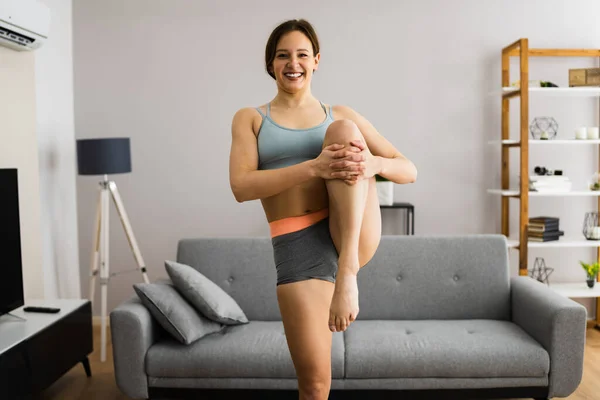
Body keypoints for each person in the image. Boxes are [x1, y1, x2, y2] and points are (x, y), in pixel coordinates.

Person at [229, 18, 417, 400]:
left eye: (301, 54)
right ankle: (342, 274)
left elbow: (409, 169)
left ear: (316, 61)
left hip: (348, 235)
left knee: (345, 132)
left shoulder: (338, 113)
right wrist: (313, 167)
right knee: (315, 385)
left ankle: (347, 275)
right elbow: (241, 186)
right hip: (297, 243)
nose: (292, 63)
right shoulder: (250, 118)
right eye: (283, 55)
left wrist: (375, 166)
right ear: (270, 65)